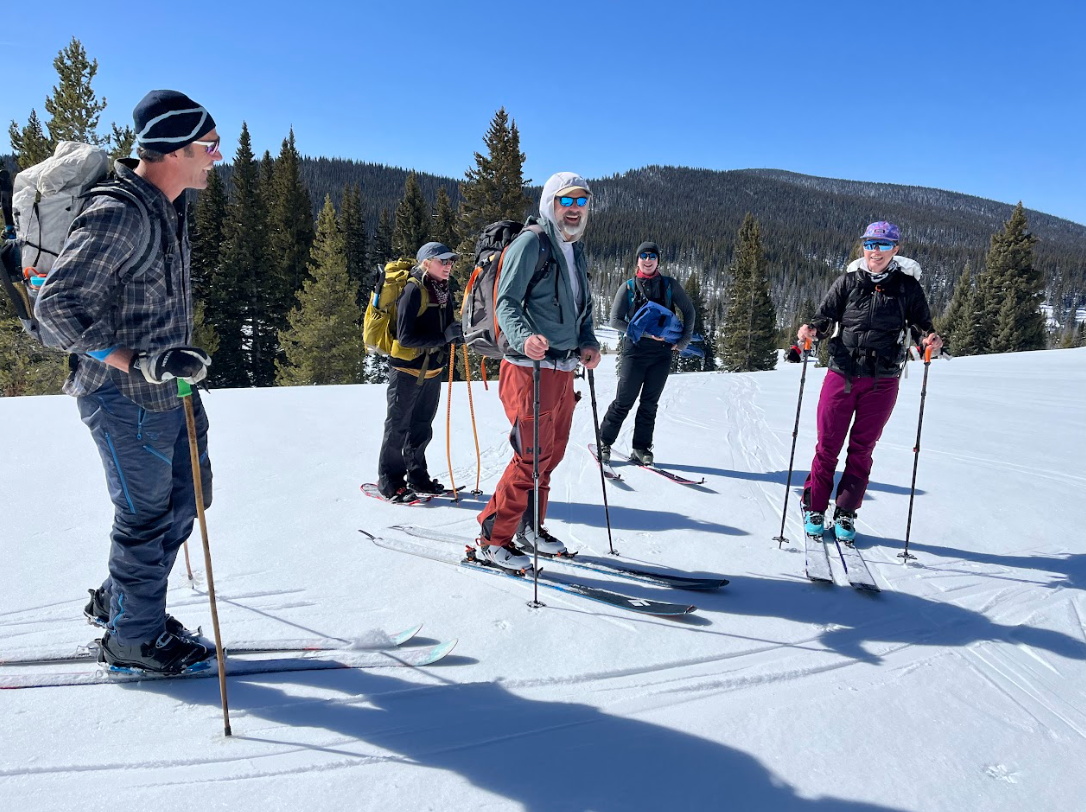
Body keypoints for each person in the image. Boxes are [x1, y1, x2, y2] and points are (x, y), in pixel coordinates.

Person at [34, 90, 222, 674]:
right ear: (174, 149)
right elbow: (54, 309)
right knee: (145, 517)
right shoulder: (122, 211)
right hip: (123, 399)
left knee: (189, 498)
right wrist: (137, 360)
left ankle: (123, 603)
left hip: (170, 391)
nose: (218, 157)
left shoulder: (168, 205)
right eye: (210, 147)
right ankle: (134, 641)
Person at [476, 172, 601, 571]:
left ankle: (529, 526)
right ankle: (491, 538)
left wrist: (589, 342)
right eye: (567, 201)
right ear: (551, 202)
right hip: (528, 367)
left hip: (563, 368)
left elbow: (583, 308)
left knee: (551, 454)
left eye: (581, 202)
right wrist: (525, 336)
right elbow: (506, 304)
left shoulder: (574, 250)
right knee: (529, 456)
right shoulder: (531, 243)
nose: (574, 209)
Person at [797, 221, 943, 543]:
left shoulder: (907, 287)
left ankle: (846, 511)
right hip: (842, 372)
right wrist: (812, 330)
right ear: (863, 247)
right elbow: (825, 318)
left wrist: (928, 340)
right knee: (828, 446)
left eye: (882, 244)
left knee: (862, 449)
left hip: (883, 379)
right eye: (869, 244)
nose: (874, 251)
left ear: (895, 248)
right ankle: (814, 505)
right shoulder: (848, 281)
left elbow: (921, 327)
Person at [376, 241, 462, 502]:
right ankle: (389, 483)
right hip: (406, 370)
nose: (449, 266)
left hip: (432, 370)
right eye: (443, 261)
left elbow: (444, 329)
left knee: (422, 427)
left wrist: (455, 334)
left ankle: (418, 477)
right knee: (398, 427)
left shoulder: (443, 290)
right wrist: (442, 337)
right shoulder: (413, 290)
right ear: (426, 263)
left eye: (450, 261)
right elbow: (405, 337)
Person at [597, 241, 694, 466]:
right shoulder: (629, 287)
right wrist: (647, 334)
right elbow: (615, 320)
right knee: (624, 400)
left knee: (650, 403)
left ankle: (641, 448)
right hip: (635, 351)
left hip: (662, 354)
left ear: (658, 260)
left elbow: (689, 311)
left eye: (652, 256)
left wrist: (683, 341)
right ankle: (603, 441)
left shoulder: (670, 286)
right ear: (637, 260)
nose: (648, 260)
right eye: (644, 256)